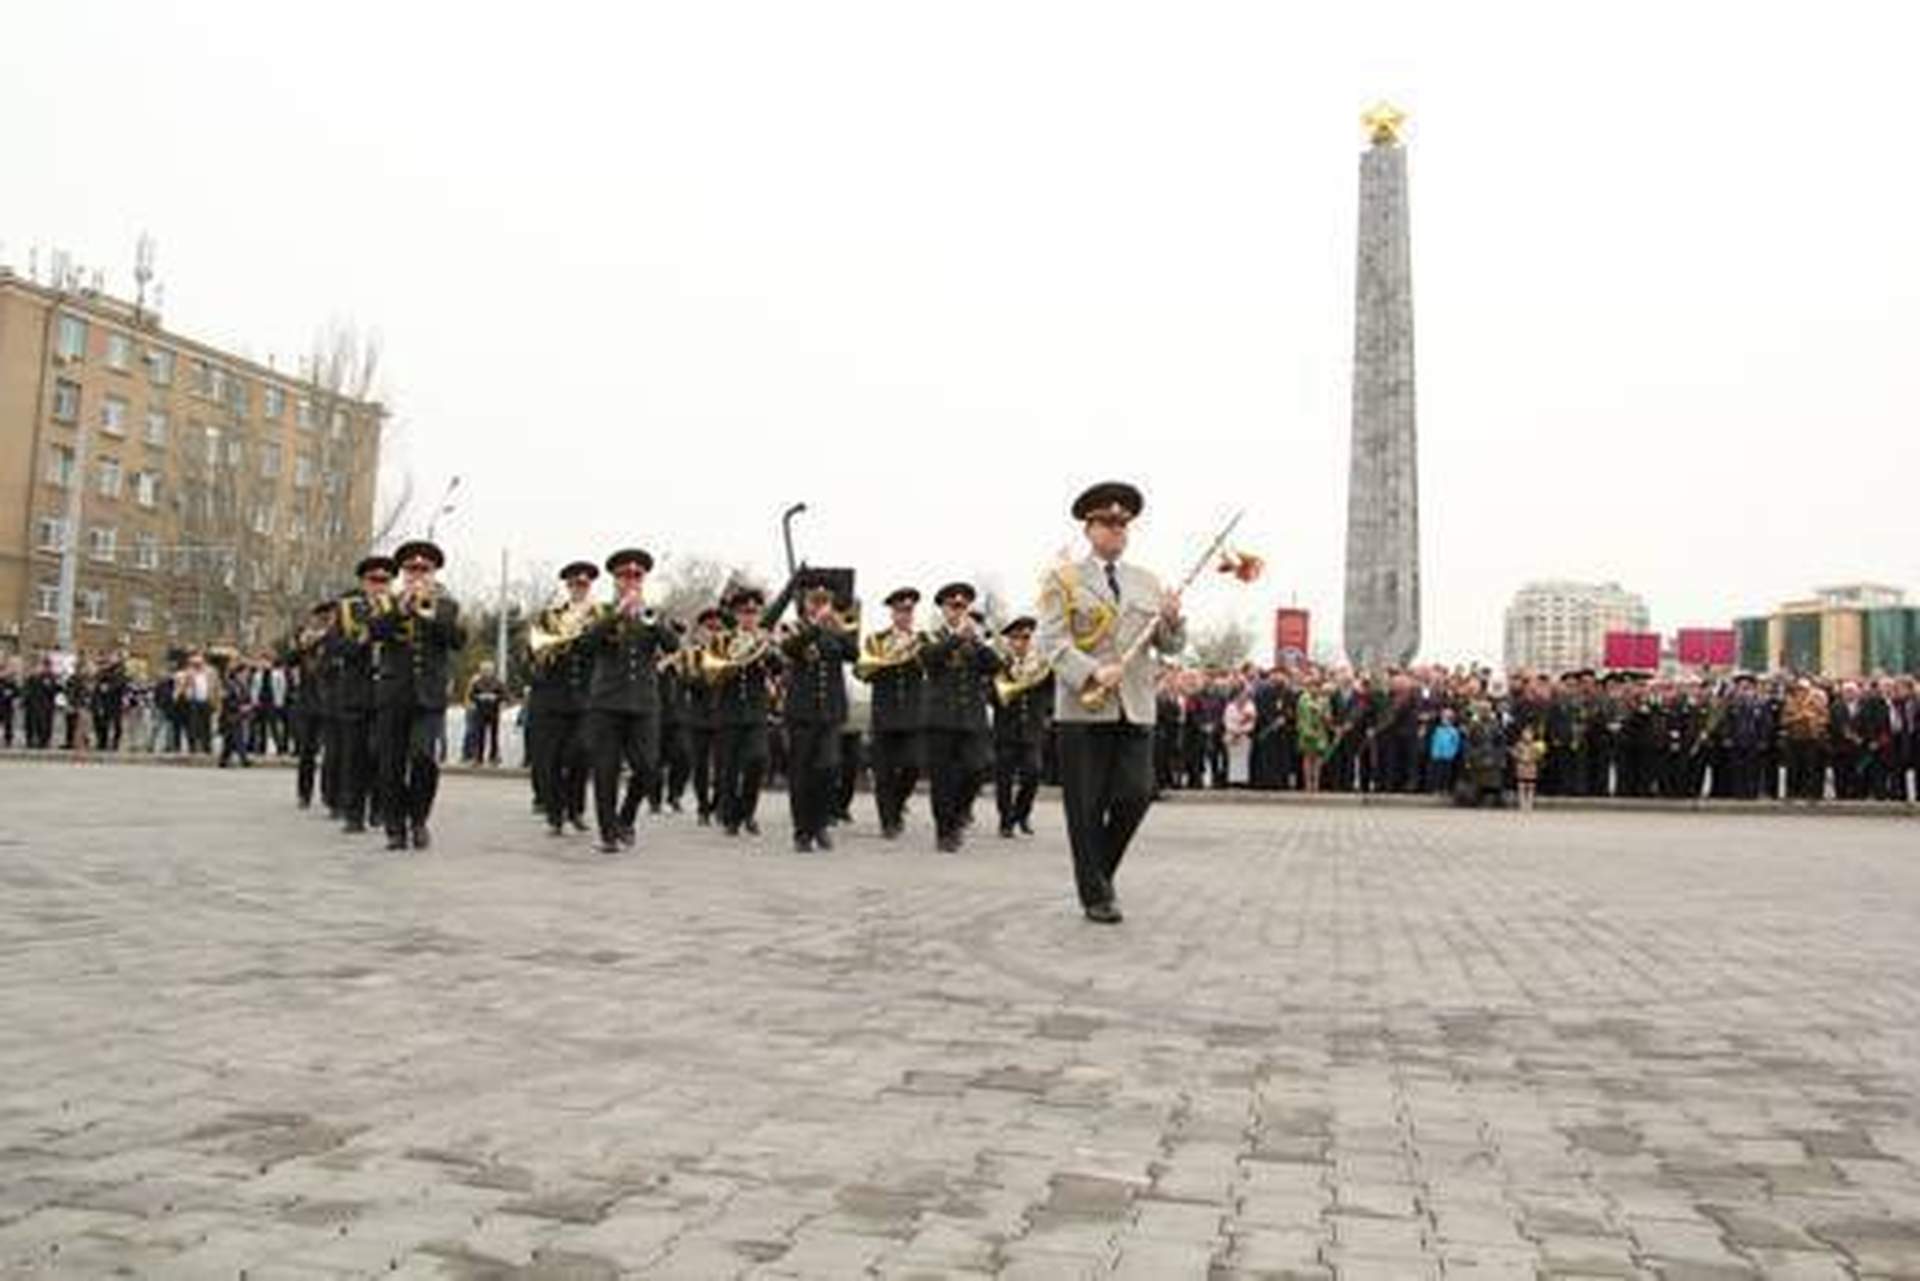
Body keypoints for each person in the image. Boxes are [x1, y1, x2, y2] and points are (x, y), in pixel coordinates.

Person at [1037, 481, 1186, 924]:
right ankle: (1096, 894)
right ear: (1089, 528)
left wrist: (1174, 620)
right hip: (1085, 706)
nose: (1118, 530)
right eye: (1108, 523)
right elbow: (1051, 640)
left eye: (1124, 524)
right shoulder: (1062, 579)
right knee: (1085, 807)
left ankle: (1096, 872)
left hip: (1135, 704)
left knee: (1136, 793)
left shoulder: (1147, 582)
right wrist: (1091, 670)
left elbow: (1170, 646)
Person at [368, 539, 466, 851]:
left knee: (425, 758)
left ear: (434, 572)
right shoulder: (386, 602)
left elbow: (457, 639)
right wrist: (401, 609)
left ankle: (419, 819)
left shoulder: (446, 605)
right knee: (391, 763)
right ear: (403, 573)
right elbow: (375, 632)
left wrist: (428, 615)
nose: (418, 574)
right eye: (411, 569)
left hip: (429, 696)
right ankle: (395, 827)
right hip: (393, 692)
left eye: (424, 569)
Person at [584, 548, 678, 853]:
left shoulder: (653, 614)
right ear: (615, 579)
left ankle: (626, 817)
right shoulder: (600, 611)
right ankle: (608, 832)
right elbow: (587, 643)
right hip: (607, 702)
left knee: (648, 767)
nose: (632, 580)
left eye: (637, 575)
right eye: (625, 575)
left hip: (643, 703)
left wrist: (650, 621)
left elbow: (672, 645)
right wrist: (617, 614)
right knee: (605, 769)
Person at [918, 582, 1001, 852]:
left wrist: (976, 640)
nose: (959, 610)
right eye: (954, 606)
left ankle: (959, 812)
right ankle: (945, 831)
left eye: (963, 606)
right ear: (944, 609)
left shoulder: (975, 639)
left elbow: (995, 666)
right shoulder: (931, 636)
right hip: (940, 718)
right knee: (942, 778)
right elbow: (929, 658)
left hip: (972, 719)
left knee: (977, 767)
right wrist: (956, 638)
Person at [779, 581, 857, 852]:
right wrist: (814, 627)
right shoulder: (795, 628)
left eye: (825, 601)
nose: (821, 606)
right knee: (801, 774)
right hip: (801, 712)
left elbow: (854, 654)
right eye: (816, 601)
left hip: (831, 713)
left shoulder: (835, 629)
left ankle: (821, 823)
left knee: (829, 768)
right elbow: (789, 649)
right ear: (807, 605)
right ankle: (802, 831)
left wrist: (837, 628)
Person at [527, 562, 600, 835]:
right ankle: (556, 815)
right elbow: (533, 649)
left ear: (589, 586)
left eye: (583, 584)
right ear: (567, 586)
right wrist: (548, 649)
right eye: (574, 584)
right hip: (553, 695)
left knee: (580, 754)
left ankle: (576, 809)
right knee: (551, 760)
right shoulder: (550, 615)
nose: (579, 588)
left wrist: (581, 634)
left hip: (586, 696)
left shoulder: (600, 614)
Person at [710, 586, 781, 837]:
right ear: (736, 615)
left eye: (753, 612)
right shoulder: (724, 640)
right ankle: (730, 817)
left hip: (755, 711)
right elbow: (712, 671)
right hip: (728, 710)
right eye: (744, 612)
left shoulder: (764, 639)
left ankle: (747, 811)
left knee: (757, 760)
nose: (749, 617)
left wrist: (770, 651)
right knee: (728, 768)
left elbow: (778, 669)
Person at [855, 587, 926, 839]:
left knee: (913, 765)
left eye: (909, 611)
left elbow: (930, 667)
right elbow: (864, 671)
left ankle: (897, 804)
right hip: (884, 713)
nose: (905, 615)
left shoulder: (923, 640)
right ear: (892, 613)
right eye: (900, 610)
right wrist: (888, 659)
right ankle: (888, 821)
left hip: (912, 714)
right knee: (883, 772)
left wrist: (914, 651)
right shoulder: (876, 640)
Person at [991, 617, 1051, 838]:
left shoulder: (1041, 666)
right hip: (1006, 729)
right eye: (1016, 638)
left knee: (1033, 773)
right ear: (1009, 641)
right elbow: (990, 694)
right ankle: (1005, 821)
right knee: (1004, 779)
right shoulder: (1000, 664)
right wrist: (1003, 692)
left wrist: (1045, 712)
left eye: (1026, 638)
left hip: (1032, 729)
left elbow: (1051, 692)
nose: (1021, 643)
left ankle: (1022, 813)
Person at [466, 661, 507, 765]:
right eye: (484, 670)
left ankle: (493, 757)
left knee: (494, 735)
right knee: (480, 735)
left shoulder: (498, 682)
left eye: (489, 670)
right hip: (480, 712)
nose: (486, 672)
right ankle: (479, 758)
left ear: (493, 671)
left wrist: (496, 697)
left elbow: (504, 695)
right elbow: (471, 695)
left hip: (494, 711)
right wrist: (479, 697)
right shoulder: (477, 682)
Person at [1296, 679, 1330, 794]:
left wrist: (1321, 713)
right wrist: (1302, 729)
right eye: (1311, 686)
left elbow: (1328, 718)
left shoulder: (1324, 701)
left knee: (1317, 760)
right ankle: (1307, 785)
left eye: (1316, 686)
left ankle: (1316, 785)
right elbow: (1299, 716)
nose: (1314, 689)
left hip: (1320, 733)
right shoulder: (1303, 700)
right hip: (1306, 733)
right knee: (1307, 759)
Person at [1426, 707, 1462, 794]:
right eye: (1444, 717)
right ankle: (1436, 788)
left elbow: (1456, 743)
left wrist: (1452, 753)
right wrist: (1434, 753)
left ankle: (1445, 789)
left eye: (1448, 718)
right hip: (1438, 756)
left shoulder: (1454, 731)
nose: (1445, 720)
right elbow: (1434, 742)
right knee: (1437, 773)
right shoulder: (1438, 730)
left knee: (1447, 774)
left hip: (1448, 756)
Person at [1512, 724, 1545, 812]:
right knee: (1521, 785)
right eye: (1525, 733)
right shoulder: (1519, 744)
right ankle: (1522, 804)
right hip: (1522, 766)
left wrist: (1532, 757)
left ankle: (1530, 804)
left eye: (1529, 734)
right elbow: (1514, 753)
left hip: (1531, 766)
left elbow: (1539, 756)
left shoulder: (1535, 745)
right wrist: (1520, 757)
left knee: (1531, 785)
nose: (1527, 736)